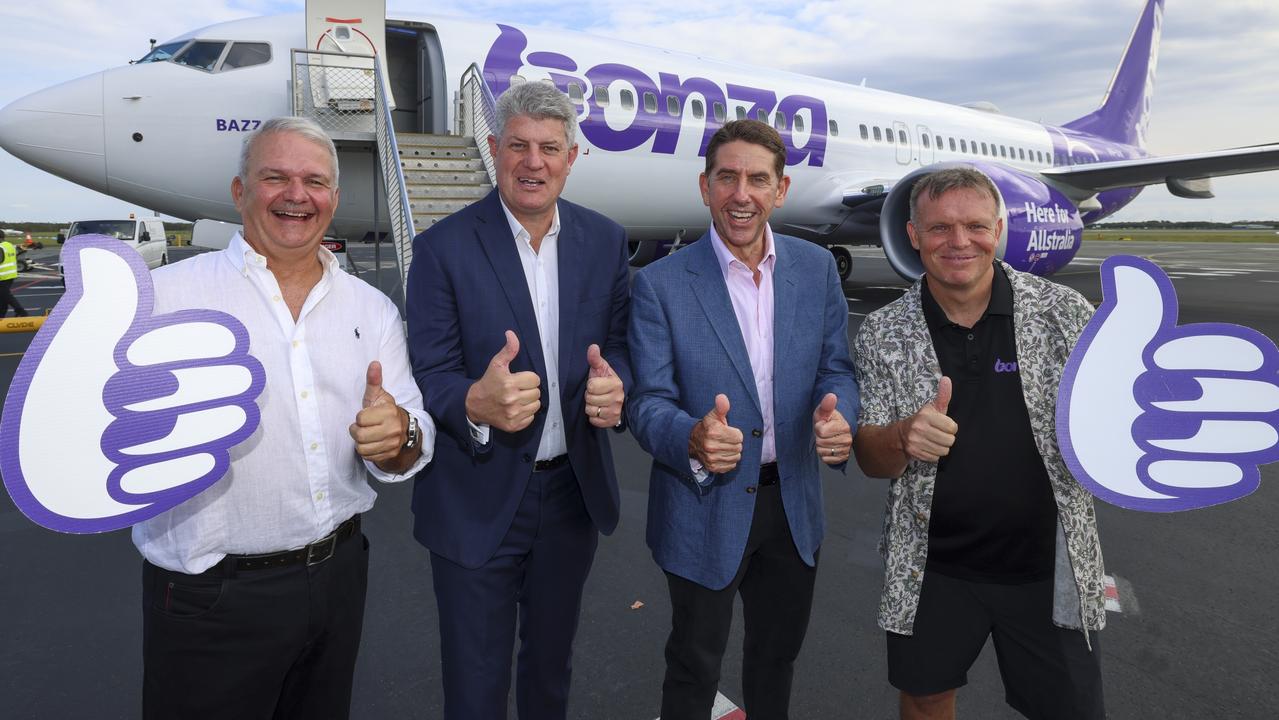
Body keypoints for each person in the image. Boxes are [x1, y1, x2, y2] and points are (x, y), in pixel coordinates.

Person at [134, 116, 435, 720]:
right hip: (210, 593)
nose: (298, 195)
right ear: (240, 191)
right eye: (276, 177)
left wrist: (398, 434)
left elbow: (411, 437)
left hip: (338, 576)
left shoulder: (371, 308)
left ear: (334, 199)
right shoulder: (162, 299)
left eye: (315, 181)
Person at [405, 81, 631, 720]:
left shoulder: (606, 241)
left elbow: (620, 346)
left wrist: (619, 385)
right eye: (519, 146)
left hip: (569, 498)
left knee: (549, 673)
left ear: (572, 157)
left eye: (550, 148)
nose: (534, 162)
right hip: (474, 497)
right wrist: (475, 403)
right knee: (475, 686)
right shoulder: (442, 248)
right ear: (493, 148)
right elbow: (429, 371)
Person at [851, 166, 1106, 720]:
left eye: (975, 226)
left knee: (1071, 709)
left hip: (1046, 564)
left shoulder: (1064, 315)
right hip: (933, 568)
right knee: (924, 699)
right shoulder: (882, 332)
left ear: (998, 229)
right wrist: (903, 436)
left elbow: (1113, 421)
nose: (959, 241)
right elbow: (870, 458)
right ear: (913, 235)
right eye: (939, 228)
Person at [627, 119, 859, 720]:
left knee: (775, 660)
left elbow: (838, 372)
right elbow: (647, 402)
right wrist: (693, 438)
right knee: (694, 663)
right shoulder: (658, 285)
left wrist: (842, 420)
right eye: (727, 177)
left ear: (780, 191)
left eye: (758, 179)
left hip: (793, 506)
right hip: (703, 503)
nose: (741, 194)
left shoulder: (816, 270)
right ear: (705, 187)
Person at [0, 231, 29, 317]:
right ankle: (1, 315)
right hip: (10, 274)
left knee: (5, 295)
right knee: (3, 297)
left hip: (2, 276)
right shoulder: (9, 245)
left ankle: (21, 311)